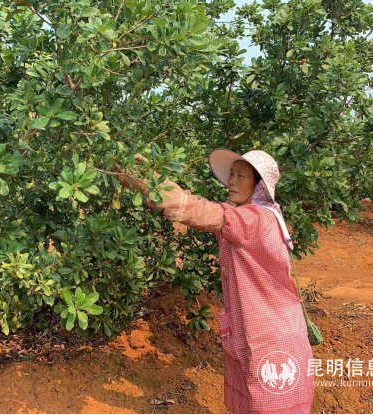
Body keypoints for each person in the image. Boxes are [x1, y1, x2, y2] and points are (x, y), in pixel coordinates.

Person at [118, 149, 315, 414]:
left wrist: (148, 186)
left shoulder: (257, 220)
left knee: (268, 402)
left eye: (240, 176)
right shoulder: (246, 214)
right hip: (257, 327)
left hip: (271, 333)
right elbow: (198, 203)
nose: (231, 180)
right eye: (231, 174)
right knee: (253, 398)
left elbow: (200, 212)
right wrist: (154, 177)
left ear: (258, 186)